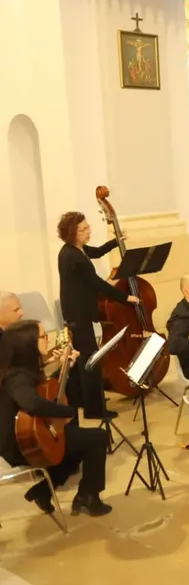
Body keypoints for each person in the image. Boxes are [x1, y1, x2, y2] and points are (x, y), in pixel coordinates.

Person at [0, 320, 112, 516]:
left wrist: (65, 368)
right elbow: (32, 403)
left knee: (75, 444)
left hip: (31, 433)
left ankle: (43, 492)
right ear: (28, 343)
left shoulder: (21, 369)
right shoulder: (17, 376)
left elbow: (44, 390)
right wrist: (66, 411)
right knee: (97, 438)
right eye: (43, 336)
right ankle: (88, 496)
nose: (48, 339)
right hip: (21, 444)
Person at [56, 211, 140, 420]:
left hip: (77, 311)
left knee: (82, 359)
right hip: (79, 313)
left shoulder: (75, 250)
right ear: (72, 233)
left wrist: (115, 241)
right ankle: (95, 410)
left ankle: (80, 400)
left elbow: (97, 252)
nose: (88, 231)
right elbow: (97, 284)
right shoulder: (74, 257)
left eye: (88, 227)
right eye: (83, 229)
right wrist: (125, 297)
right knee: (90, 361)